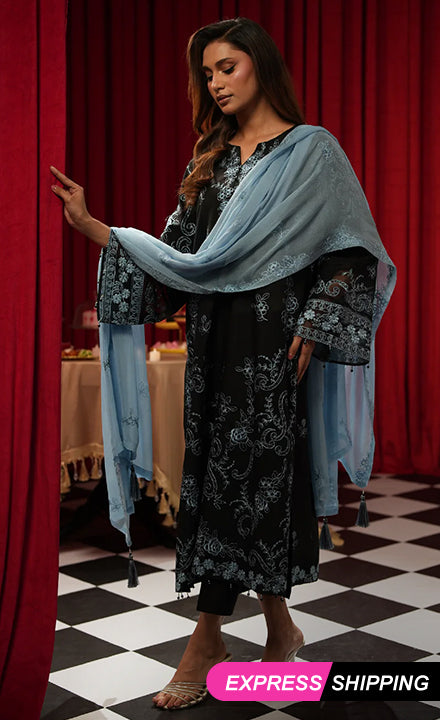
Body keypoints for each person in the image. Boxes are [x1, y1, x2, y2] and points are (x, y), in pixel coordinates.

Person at [51, 17, 395, 711]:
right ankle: (279, 628)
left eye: (227, 67)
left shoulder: (313, 152)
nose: (214, 83)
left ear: (261, 66)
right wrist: (96, 229)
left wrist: (317, 320)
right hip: (211, 349)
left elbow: (353, 250)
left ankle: (206, 638)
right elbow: (179, 262)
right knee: (222, 483)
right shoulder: (208, 159)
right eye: (206, 73)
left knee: (254, 480)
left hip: (275, 350)